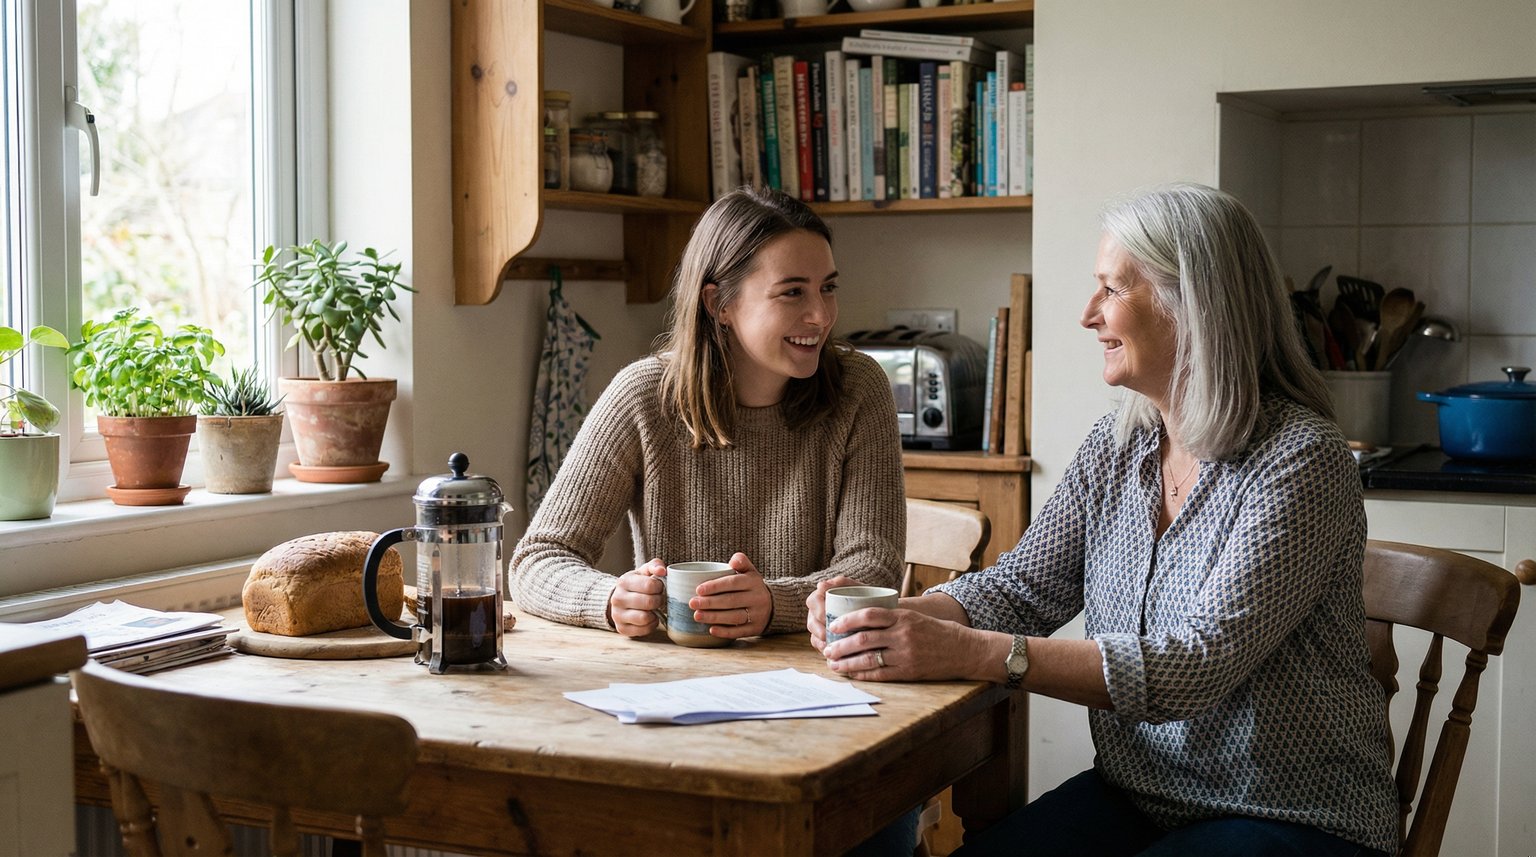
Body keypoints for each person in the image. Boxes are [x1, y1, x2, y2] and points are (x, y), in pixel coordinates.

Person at [808, 183, 1399, 857]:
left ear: (1195, 306)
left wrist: (969, 651)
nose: (1089, 314)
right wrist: (902, 618)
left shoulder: (1301, 459)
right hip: (1139, 793)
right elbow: (1023, 588)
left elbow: (1193, 666)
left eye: (1114, 289)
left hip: (1296, 814)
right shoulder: (1117, 445)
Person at [509, 185, 906, 645]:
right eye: (793, 292)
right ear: (719, 304)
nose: (821, 314)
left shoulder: (859, 388)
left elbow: (874, 567)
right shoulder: (643, 396)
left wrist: (775, 603)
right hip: (668, 678)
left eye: (828, 288)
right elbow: (538, 559)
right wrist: (610, 599)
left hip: (820, 675)